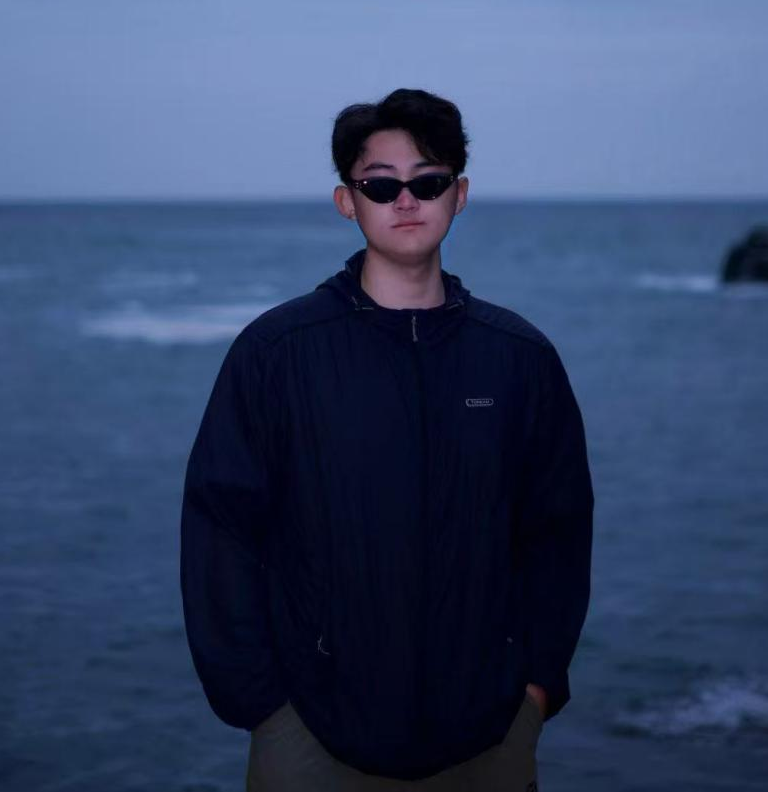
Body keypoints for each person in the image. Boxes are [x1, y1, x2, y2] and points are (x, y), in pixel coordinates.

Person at [180, 88, 594, 791]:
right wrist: (262, 705)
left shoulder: (518, 357)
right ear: (348, 200)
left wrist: (536, 688)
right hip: (309, 734)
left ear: (459, 194)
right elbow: (221, 527)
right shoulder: (278, 352)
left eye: (427, 181)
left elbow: (557, 529)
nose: (405, 200)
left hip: (489, 734)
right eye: (380, 185)